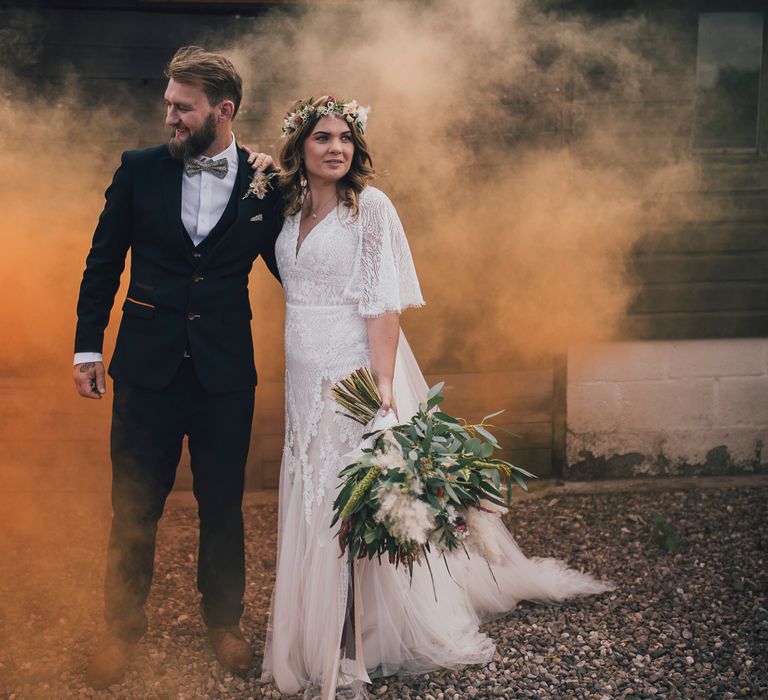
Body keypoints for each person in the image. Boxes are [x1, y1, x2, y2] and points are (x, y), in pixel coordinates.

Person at [258, 96, 615, 700]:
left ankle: (349, 643)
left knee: (351, 502)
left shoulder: (368, 209)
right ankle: (314, 628)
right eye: (322, 137)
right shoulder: (287, 209)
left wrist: (385, 394)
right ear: (301, 146)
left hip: (353, 375)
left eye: (346, 137)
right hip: (302, 382)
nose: (337, 148)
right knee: (313, 492)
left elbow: (383, 305)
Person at [72, 46, 281, 689]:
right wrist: (87, 347)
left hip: (224, 374)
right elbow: (102, 262)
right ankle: (120, 629)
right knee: (133, 506)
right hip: (145, 369)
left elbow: (296, 267)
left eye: (182, 108)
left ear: (223, 111)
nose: (170, 117)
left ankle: (224, 623)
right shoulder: (138, 171)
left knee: (224, 506)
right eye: (168, 103)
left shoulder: (266, 182)